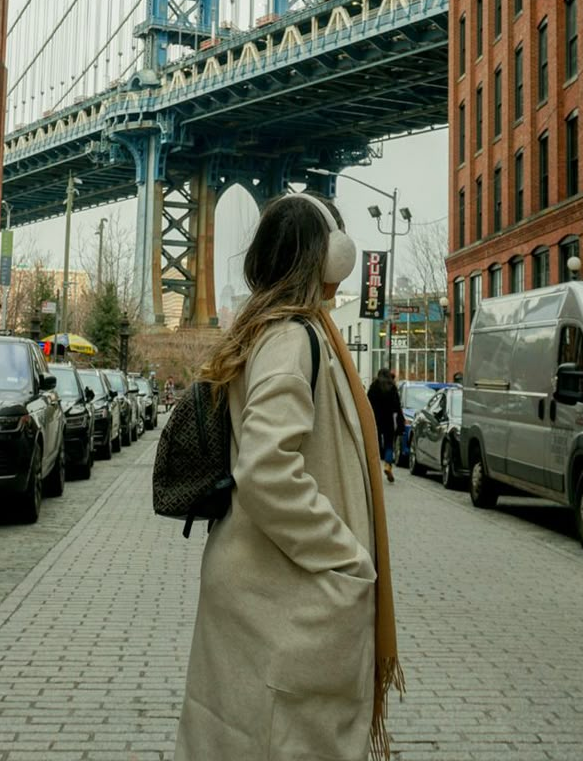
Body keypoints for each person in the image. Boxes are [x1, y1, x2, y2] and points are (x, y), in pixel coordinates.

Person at [175, 192, 403, 761]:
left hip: (268, 592)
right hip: (283, 599)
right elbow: (267, 467)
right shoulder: (289, 338)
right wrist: (346, 559)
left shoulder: (280, 331)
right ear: (326, 258)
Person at [367, 368, 404, 484]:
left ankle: (374, 471)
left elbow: (367, 403)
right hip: (388, 419)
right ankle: (388, 465)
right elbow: (397, 406)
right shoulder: (392, 387)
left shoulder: (374, 387)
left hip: (375, 419)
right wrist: (399, 421)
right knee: (389, 443)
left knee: (375, 445)